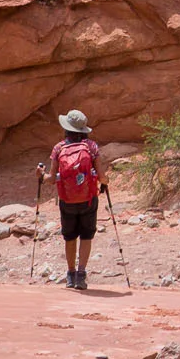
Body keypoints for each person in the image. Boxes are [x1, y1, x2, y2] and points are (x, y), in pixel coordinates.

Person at [45, 110, 107, 290]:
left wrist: (40, 176)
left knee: (69, 237)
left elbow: (50, 179)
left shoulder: (58, 148)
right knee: (86, 236)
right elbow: (102, 177)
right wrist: (105, 182)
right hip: (88, 199)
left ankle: (70, 274)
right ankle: (81, 275)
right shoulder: (91, 146)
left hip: (67, 200)